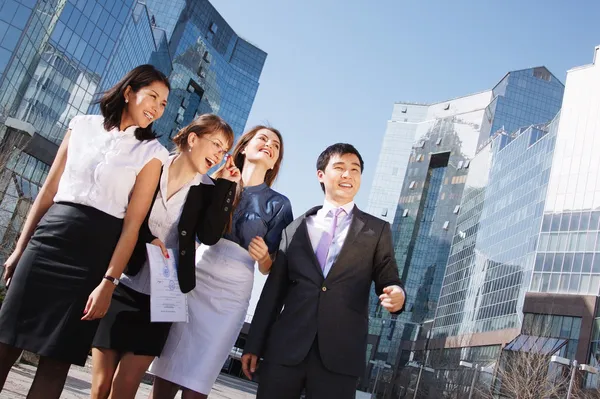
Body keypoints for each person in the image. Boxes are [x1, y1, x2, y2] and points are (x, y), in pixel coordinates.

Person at [0, 64, 171, 399]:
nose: (157, 107)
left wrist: (109, 281)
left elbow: (132, 225)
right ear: (128, 92)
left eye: (164, 103)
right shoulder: (81, 126)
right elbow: (48, 192)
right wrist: (20, 248)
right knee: (4, 344)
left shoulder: (153, 153)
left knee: (55, 361)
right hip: (48, 240)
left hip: (93, 259)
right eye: (152, 96)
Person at [89, 114, 241, 399]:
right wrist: (149, 239)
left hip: (164, 298)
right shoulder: (153, 164)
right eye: (216, 145)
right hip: (122, 282)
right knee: (100, 386)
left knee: (125, 387)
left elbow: (209, 236)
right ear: (193, 139)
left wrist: (225, 188)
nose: (220, 155)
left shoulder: (209, 189)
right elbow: (126, 212)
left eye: (224, 151)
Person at [241, 143, 407, 399]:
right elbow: (273, 292)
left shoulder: (377, 230)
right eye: (339, 168)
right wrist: (254, 344)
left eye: (355, 170)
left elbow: (388, 275)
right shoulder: (294, 228)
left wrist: (397, 295)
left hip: (340, 356)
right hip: (285, 349)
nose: (347, 175)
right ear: (321, 174)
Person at [149, 126, 293, 399]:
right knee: (165, 378)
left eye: (276, 145)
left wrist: (264, 257)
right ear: (244, 147)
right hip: (196, 278)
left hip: (233, 295)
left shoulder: (280, 205)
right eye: (262, 139)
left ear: (275, 162)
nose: (269, 145)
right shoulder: (215, 182)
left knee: (197, 386)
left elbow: (271, 268)